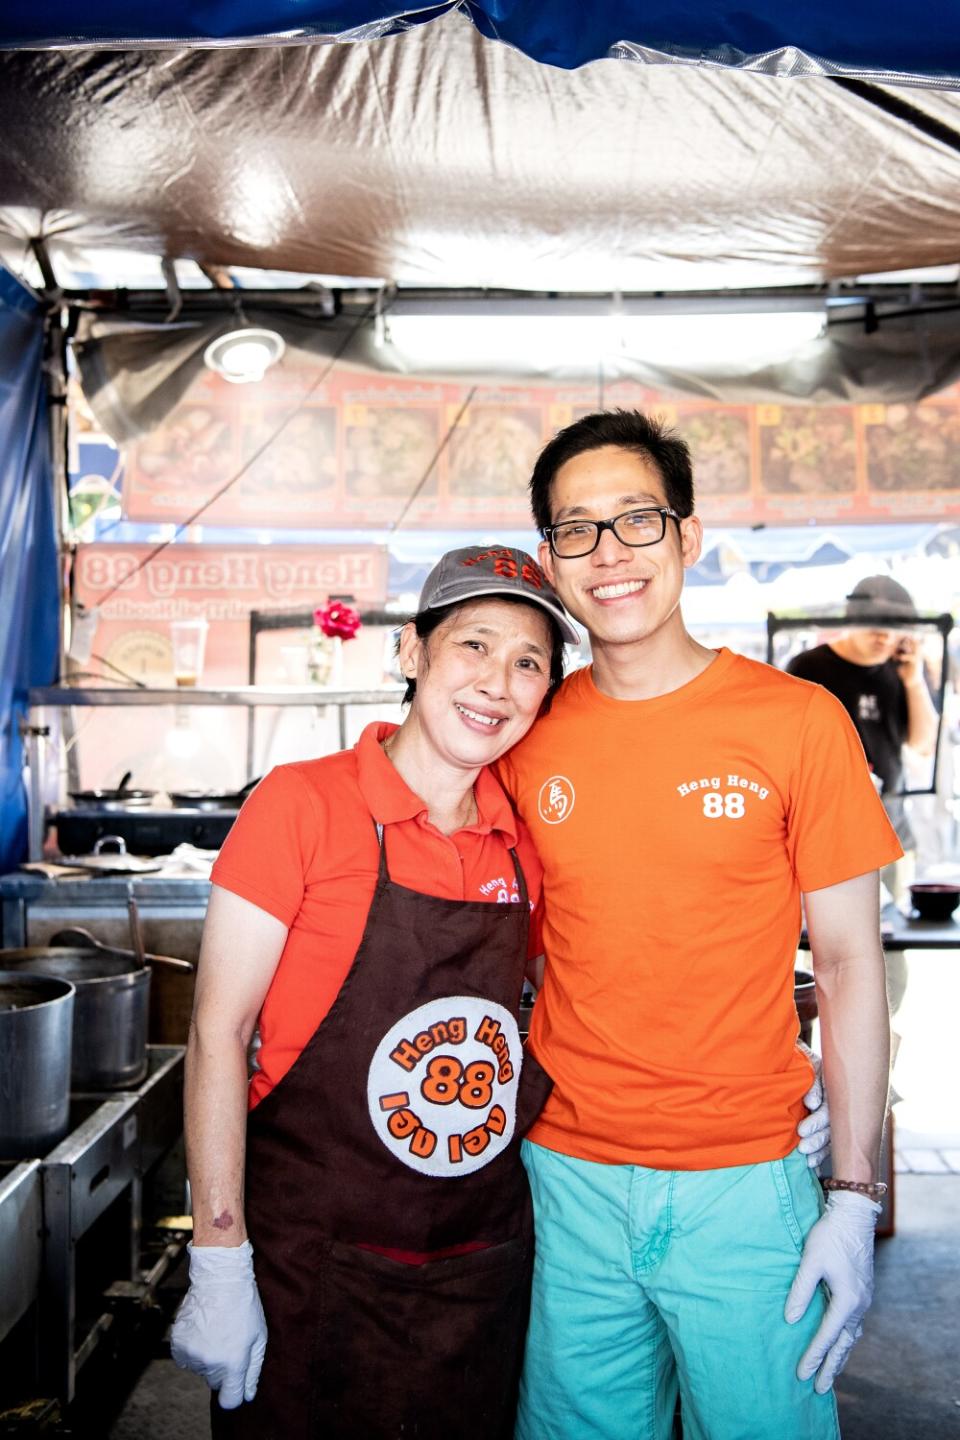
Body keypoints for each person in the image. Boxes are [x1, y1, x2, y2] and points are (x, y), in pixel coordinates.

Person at [494, 411, 902, 1440]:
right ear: (550, 558)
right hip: (565, 1182)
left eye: (636, 519)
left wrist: (852, 1192)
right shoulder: (528, 736)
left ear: (688, 535)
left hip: (748, 1188)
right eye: (575, 529)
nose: (608, 554)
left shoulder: (796, 720)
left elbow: (850, 964)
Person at [170, 544, 578, 1439]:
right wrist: (218, 1253)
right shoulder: (301, 806)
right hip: (311, 1268)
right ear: (410, 652)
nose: (496, 685)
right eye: (473, 645)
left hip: (477, 1271)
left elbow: (572, 1008)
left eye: (528, 664)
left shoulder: (524, 847)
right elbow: (216, 1035)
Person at [785, 574, 938, 897]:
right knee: (828, 939)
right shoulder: (809, 667)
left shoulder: (903, 668)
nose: (884, 635)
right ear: (852, 620)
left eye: (894, 627)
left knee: (894, 936)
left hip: (891, 825)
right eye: (875, 625)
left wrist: (913, 681)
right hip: (828, 832)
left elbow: (923, 745)